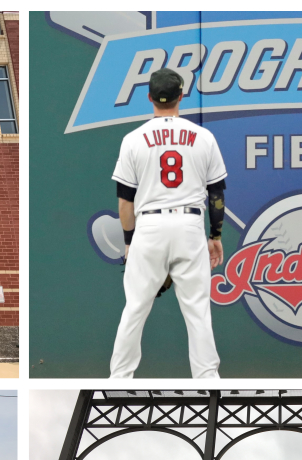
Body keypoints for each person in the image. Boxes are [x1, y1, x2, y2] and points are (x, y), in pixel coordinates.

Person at [109, 67, 228, 379]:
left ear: (149, 97)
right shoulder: (204, 137)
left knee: (135, 307)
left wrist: (129, 241)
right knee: (198, 311)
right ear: (182, 96)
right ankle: (207, 379)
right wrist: (214, 234)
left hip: (149, 226)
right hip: (190, 224)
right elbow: (216, 194)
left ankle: (119, 378)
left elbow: (125, 201)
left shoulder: (133, 139)